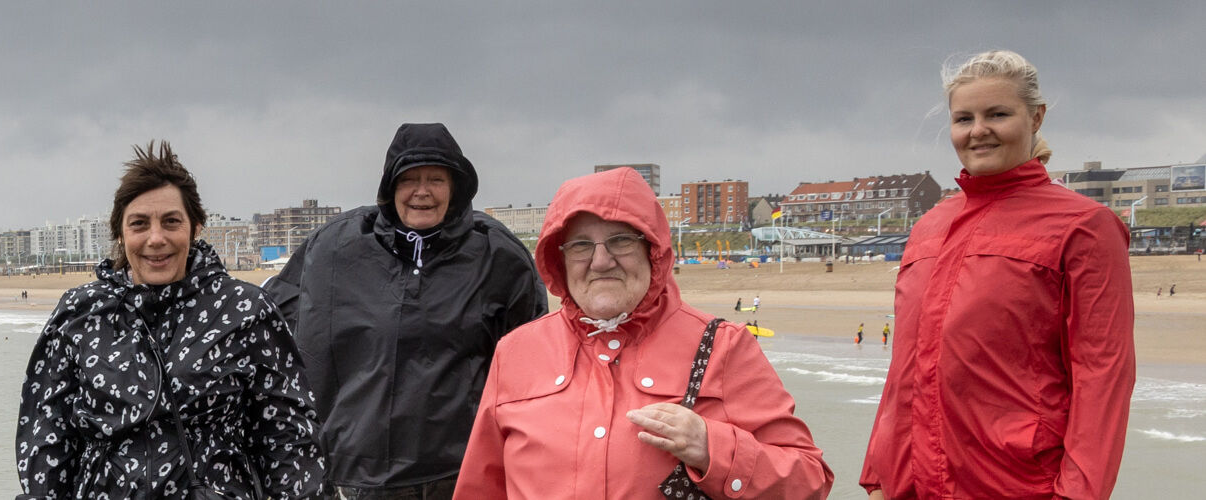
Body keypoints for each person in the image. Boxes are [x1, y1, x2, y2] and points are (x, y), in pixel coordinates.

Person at [456, 167, 830, 499]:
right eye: (581, 244)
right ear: (560, 258)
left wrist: (711, 448)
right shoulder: (516, 351)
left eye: (620, 240)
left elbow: (809, 482)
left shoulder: (723, 346)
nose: (601, 261)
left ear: (653, 250)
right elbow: (480, 487)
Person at [861, 49, 1135, 499]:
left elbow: (1103, 376)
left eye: (998, 114)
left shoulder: (1085, 226)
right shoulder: (930, 226)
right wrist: (878, 474)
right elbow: (904, 370)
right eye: (964, 118)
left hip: (1019, 485)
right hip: (911, 484)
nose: (978, 130)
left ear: (1036, 118)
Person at [16, 142, 325, 498]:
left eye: (171, 221)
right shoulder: (80, 313)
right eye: (139, 224)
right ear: (120, 233)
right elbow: (45, 437)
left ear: (195, 227)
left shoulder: (245, 310)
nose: (156, 238)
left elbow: (289, 437)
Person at [262, 123, 548, 499]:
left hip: (460, 471)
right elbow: (270, 328)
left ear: (457, 187)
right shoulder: (333, 248)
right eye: (409, 179)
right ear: (390, 187)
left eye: (436, 180)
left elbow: (535, 367)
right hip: (357, 473)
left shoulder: (497, 256)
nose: (422, 192)